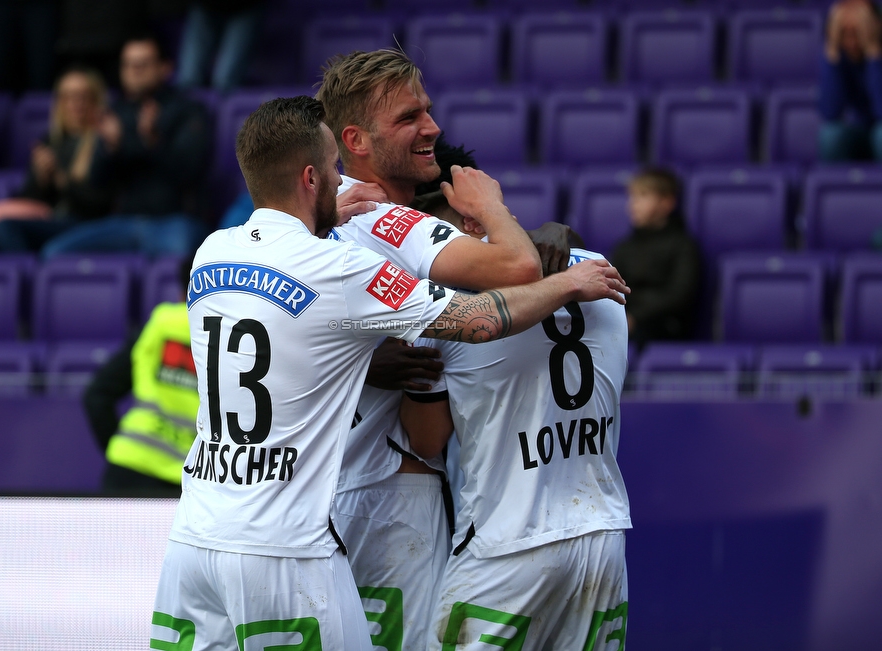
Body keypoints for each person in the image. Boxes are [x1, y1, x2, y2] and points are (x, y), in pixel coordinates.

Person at [150, 95, 629, 651]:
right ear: (311, 178)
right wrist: (568, 281)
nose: (347, 187)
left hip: (194, 537)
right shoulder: (342, 269)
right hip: (289, 546)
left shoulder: (212, 252)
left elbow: (291, 337)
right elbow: (478, 318)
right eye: (335, 174)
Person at [315, 48, 586, 650]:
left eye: (428, 111)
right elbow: (516, 265)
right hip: (387, 492)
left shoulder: (302, 217)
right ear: (355, 139)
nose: (432, 128)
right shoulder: (383, 220)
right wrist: (506, 221)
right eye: (410, 117)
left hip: (315, 502)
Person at [400, 202, 631, 651]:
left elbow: (425, 439)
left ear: (463, 226)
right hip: (601, 536)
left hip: (505, 542)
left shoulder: (453, 305)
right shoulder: (601, 274)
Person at [39, 32, 213, 260]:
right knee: (54, 255)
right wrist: (108, 149)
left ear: (166, 67)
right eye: (128, 64)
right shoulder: (115, 112)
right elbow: (97, 181)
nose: (135, 70)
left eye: (143, 64)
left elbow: (189, 172)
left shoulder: (188, 110)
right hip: (122, 222)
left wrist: (153, 142)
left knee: (182, 259)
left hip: (172, 221)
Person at [0, 67, 114, 253]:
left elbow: (102, 203)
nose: (74, 104)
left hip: (83, 223)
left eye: (81, 96)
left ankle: (28, 279)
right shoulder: (51, 141)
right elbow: (29, 200)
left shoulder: (103, 142)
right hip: (50, 220)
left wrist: (60, 179)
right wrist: (41, 178)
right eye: (67, 96)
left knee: (8, 227)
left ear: (95, 100)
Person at [82, 259, 195, 498]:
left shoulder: (161, 324)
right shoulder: (234, 338)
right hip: (190, 481)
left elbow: (97, 396)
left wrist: (119, 448)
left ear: (181, 290)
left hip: (130, 467)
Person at [610, 167, 700, 350]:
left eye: (642, 196)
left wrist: (636, 316)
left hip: (664, 327)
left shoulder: (683, 246)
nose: (632, 205)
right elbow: (611, 287)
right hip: (626, 320)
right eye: (632, 197)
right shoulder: (625, 247)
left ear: (667, 202)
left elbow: (679, 295)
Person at [819, 0, 882, 161]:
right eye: (844, 33)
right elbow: (830, 112)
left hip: (877, 132)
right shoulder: (836, 58)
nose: (852, 42)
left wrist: (874, 57)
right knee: (831, 135)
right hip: (855, 132)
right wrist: (832, 55)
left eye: (858, 32)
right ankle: (835, 185)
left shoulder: (876, 53)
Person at [175, 0, 264, 94]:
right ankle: (184, 107)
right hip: (205, 6)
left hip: (246, 8)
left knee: (224, 81)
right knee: (188, 78)